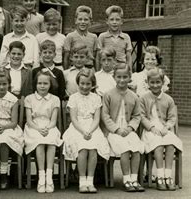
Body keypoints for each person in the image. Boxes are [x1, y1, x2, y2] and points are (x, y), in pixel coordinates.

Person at [62, 68, 110, 193]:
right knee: (83, 148)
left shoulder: (96, 98)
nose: (84, 86)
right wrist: (83, 131)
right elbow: (73, 119)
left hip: (92, 127)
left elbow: (97, 118)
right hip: (77, 128)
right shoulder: (73, 98)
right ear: (78, 83)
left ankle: (90, 181)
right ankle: (82, 181)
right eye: (82, 83)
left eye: (88, 84)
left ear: (92, 84)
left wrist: (90, 130)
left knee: (93, 148)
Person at [102, 64, 145, 192]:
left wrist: (131, 128)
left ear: (130, 77)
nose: (122, 80)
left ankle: (134, 179)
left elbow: (137, 115)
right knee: (125, 149)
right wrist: (116, 129)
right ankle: (126, 179)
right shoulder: (108, 95)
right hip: (114, 132)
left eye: (125, 77)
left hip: (128, 130)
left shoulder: (134, 96)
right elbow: (105, 115)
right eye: (119, 77)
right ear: (114, 77)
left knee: (136, 149)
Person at [140, 68, 182, 191]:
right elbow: (141, 116)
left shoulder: (168, 99)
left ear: (162, 82)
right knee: (158, 145)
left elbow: (172, 117)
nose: (155, 85)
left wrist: (167, 127)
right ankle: (159, 176)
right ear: (147, 83)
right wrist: (151, 127)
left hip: (164, 128)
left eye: (158, 82)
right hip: (150, 130)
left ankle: (167, 176)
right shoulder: (143, 98)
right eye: (152, 82)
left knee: (170, 144)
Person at [24, 71, 63, 193]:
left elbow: (53, 120)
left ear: (50, 84)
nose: (42, 86)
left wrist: (47, 128)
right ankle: (41, 176)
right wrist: (38, 129)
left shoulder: (55, 99)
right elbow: (29, 120)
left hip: (49, 126)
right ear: (35, 84)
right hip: (33, 127)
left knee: (51, 141)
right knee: (39, 141)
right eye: (39, 83)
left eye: (45, 83)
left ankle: (49, 176)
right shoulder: (29, 99)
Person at [64, 6, 99, 70]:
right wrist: (66, 72)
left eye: (86, 19)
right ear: (75, 20)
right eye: (80, 19)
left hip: (89, 68)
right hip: (74, 68)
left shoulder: (94, 37)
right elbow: (66, 57)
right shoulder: (70, 36)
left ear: (90, 21)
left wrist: (97, 72)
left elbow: (95, 57)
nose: (83, 22)